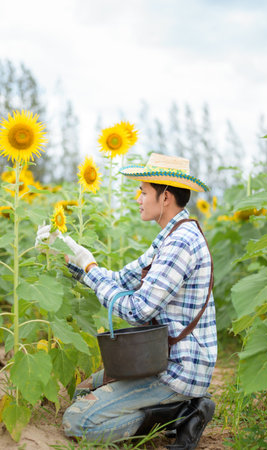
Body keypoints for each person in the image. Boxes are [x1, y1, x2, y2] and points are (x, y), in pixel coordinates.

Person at [36, 153, 217, 448]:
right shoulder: (169, 236)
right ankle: (169, 410)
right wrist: (74, 257)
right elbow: (121, 280)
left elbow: (137, 309)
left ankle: (181, 413)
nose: (138, 198)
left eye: (144, 192)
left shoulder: (181, 244)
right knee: (84, 392)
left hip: (176, 371)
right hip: (157, 359)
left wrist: (91, 269)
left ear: (166, 196)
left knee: (79, 422)